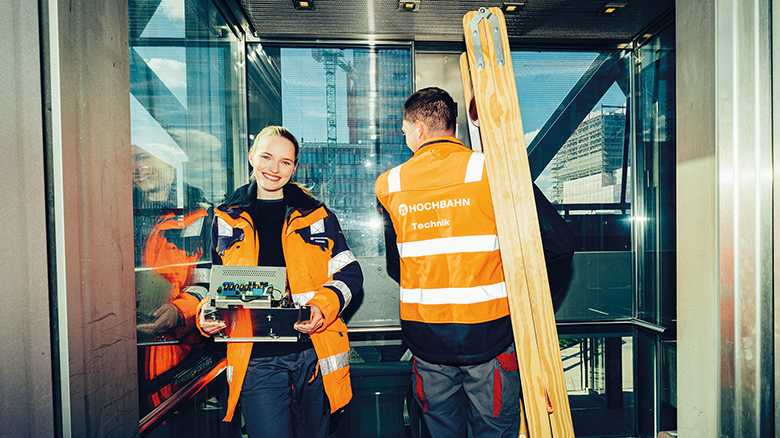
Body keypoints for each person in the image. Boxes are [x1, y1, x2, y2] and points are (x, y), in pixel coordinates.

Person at [375, 87, 574, 438]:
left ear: (419, 128)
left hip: (426, 342)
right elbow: (558, 244)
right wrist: (531, 308)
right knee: (495, 431)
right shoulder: (492, 171)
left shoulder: (390, 184)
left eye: (405, 129)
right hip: (491, 338)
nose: (405, 135)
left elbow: (397, 265)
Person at [197, 126, 363, 438]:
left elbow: (350, 273)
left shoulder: (317, 215)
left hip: (313, 351)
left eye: (285, 162)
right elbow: (208, 283)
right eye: (267, 157)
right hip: (255, 355)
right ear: (251, 157)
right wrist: (205, 314)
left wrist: (321, 307)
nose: (274, 168)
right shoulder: (224, 218)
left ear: (295, 167)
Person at [132, 143, 212, 409]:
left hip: (176, 355)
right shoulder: (120, 213)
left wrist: (179, 313)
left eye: (143, 158)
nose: (136, 167)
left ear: (170, 163)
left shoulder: (200, 217)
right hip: (124, 353)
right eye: (131, 161)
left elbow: (211, 282)